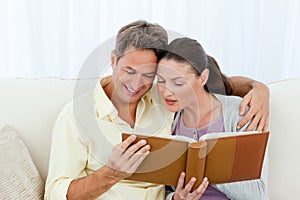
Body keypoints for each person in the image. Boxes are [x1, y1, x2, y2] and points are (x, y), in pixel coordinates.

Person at [45, 20, 269, 200]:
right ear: (113, 60)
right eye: (129, 70)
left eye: (149, 75)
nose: (136, 84)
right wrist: (110, 174)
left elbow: (207, 80)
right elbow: (55, 194)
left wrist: (258, 89)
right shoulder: (76, 115)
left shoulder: (163, 96)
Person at [156, 37, 268, 200]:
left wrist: (206, 166)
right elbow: (162, 189)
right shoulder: (169, 120)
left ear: (202, 78)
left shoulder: (240, 113)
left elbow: (258, 194)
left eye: (178, 83)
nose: (166, 92)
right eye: (161, 81)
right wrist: (175, 198)